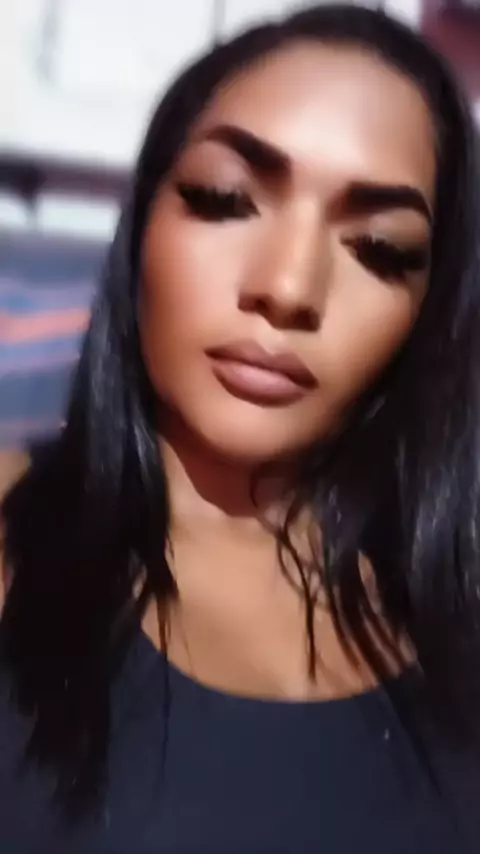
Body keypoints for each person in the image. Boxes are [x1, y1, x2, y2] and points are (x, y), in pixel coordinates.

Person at [1, 4, 480, 851]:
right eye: (225, 200)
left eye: (379, 248)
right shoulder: (14, 530)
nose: (289, 288)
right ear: (143, 221)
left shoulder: (455, 601)